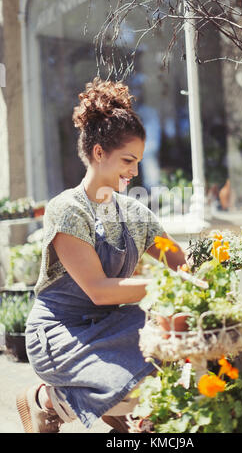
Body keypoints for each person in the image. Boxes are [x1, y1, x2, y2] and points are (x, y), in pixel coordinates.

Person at [16, 78, 187, 433]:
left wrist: (201, 279)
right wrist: (168, 284)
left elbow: (176, 259)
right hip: (61, 332)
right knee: (127, 373)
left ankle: (127, 412)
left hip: (109, 326)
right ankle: (45, 400)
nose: (135, 171)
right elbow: (99, 290)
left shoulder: (134, 213)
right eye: (128, 159)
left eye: (138, 161)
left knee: (174, 334)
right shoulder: (67, 209)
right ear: (98, 152)